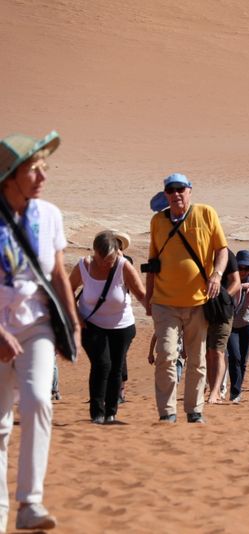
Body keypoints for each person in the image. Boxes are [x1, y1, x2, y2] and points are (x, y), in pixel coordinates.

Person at [0, 131, 81, 531]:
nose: (42, 176)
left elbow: (57, 272)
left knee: (37, 401)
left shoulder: (49, 214)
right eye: (33, 169)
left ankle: (30, 502)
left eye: (43, 168)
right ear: (9, 176)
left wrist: (72, 319)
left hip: (36, 326)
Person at [144, 173, 228, 424]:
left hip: (198, 301)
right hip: (164, 302)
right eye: (171, 190)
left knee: (197, 358)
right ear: (165, 195)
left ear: (190, 190)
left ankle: (194, 410)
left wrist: (217, 274)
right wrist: (148, 297)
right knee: (166, 356)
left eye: (181, 189)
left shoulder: (206, 213)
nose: (176, 194)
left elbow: (221, 249)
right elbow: (153, 261)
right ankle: (167, 412)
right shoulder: (158, 221)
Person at [70, 230, 145, 424]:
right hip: (91, 324)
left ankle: (111, 412)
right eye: (102, 258)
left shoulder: (123, 266)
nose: (105, 263)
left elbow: (141, 294)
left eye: (110, 259)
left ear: (117, 252)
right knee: (102, 364)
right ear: (94, 252)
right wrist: (77, 317)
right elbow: (67, 291)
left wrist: (157, 312)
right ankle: (97, 412)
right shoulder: (83, 266)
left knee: (116, 367)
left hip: (122, 325)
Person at [226, 251, 249, 403]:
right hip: (231, 324)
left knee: (243, 360)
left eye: (246, 269)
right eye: (240, 268)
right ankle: (234, 392)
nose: (242, 271)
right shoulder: (228, 279)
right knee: (234, 357)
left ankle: (237, 390)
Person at [205, 246, 240, 405]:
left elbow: (236, 282)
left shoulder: (227, 254)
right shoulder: (200, 251)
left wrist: (222, 299)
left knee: (218, 351)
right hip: (203, 309)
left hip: (223, 312)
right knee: (208, 352)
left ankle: (215, 392)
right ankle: (213, 390)